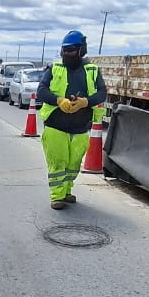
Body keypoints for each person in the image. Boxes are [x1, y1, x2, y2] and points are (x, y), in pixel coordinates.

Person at [35, 30, 107, 209]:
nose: (67, 54)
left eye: (71, 50)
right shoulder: (54, 68)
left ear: (81, 50)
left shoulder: (92, 70)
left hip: (80, 126)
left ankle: (66, 191)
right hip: (55, 125)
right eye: (64, 50)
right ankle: (57, 196)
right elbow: (41, 91)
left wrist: (85, 102)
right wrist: (59, 100)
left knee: (73, 164)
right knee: (58, 161)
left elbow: (102, 93)